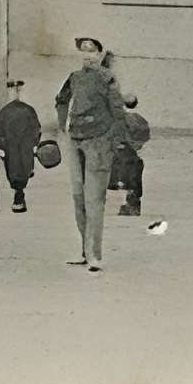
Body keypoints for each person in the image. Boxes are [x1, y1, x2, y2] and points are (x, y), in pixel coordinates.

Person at [52, 35, 130, 271]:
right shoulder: (74, 78)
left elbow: (118, 110)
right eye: (83, 50)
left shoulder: (108, 78)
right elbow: (61, 99)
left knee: (94, 199)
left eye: (92, 51)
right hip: (76, 139)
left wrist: (114, 140)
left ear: (99, 54)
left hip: (99, 142)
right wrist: (62, 127)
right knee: (78, 197)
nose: (87, 55)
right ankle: (85, 252)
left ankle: (94, 255)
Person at [0, 79, 42, 213]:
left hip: (16, 149)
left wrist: (0, 146)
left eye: (16, 89)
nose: (15, 92)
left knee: (15, 171)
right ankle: (19, 195)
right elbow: (36, 129)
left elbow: (35, 129)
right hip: (18, 148)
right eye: (14, 90)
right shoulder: (26, 110)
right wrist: (35, 144)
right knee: (20, 169)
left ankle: (18, 195)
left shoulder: (7, 111)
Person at [111, 91, 152, 216]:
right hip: (132, 154)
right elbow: (145, 137)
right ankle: (133, 205)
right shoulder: (140, 120)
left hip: (122, 153)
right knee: (133, 177)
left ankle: (129, 205)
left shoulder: (121, 119)